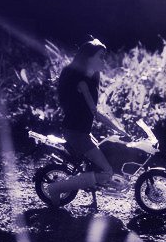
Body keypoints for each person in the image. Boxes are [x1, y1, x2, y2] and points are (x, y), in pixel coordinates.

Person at [48, 38, 127, 207]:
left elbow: (96, 110)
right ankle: (55, 188)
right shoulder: (82, 83)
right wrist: (118, 129)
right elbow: (96, 114)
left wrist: (117, 127)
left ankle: (93, 202)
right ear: (88, 58)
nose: (104, 61)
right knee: (107, 172)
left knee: (96, 164)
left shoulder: (91, 80)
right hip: (76, 133)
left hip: (82, 132)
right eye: (101, 57)